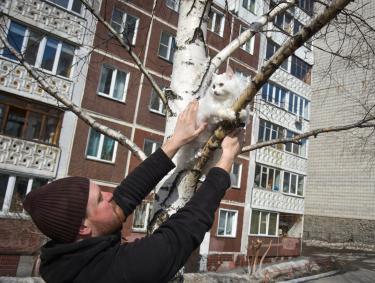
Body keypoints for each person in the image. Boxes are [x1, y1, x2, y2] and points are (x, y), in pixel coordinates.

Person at [23, 100, 244, 283]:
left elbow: (124, 198)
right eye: (100, 200)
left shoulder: (64, 257)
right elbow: (181, 234)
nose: (110, 195)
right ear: (82, 227)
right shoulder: (110, 274)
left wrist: (176, 141)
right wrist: (226, 160)